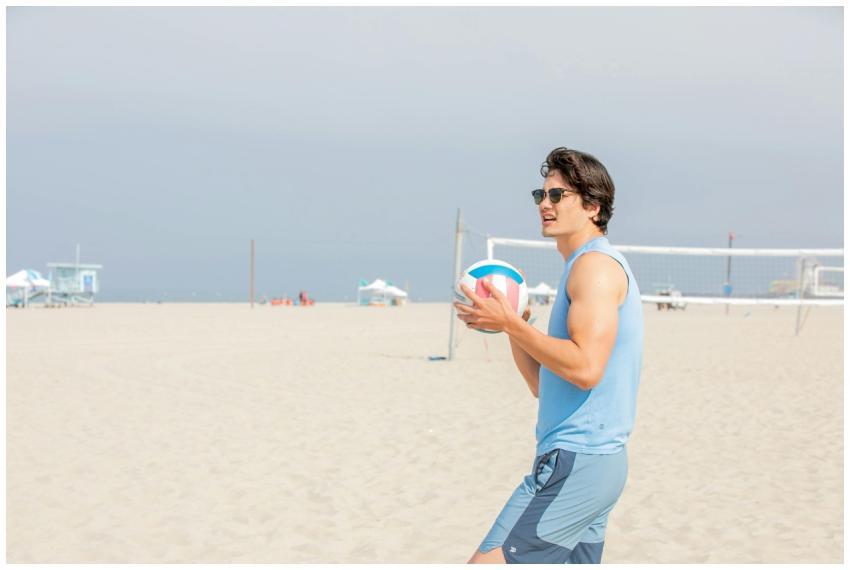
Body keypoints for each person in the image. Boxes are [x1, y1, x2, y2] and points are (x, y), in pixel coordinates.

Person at [454, 147, 643, 564]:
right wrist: (513, 326)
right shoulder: (583, 266)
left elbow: (586, 368)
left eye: (558, 196)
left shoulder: (592, 268)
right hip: (590, 463)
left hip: (579, 463)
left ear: (593, 206)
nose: (544, 204)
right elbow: (545, 384)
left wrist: (513, 325)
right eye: (541, 195)